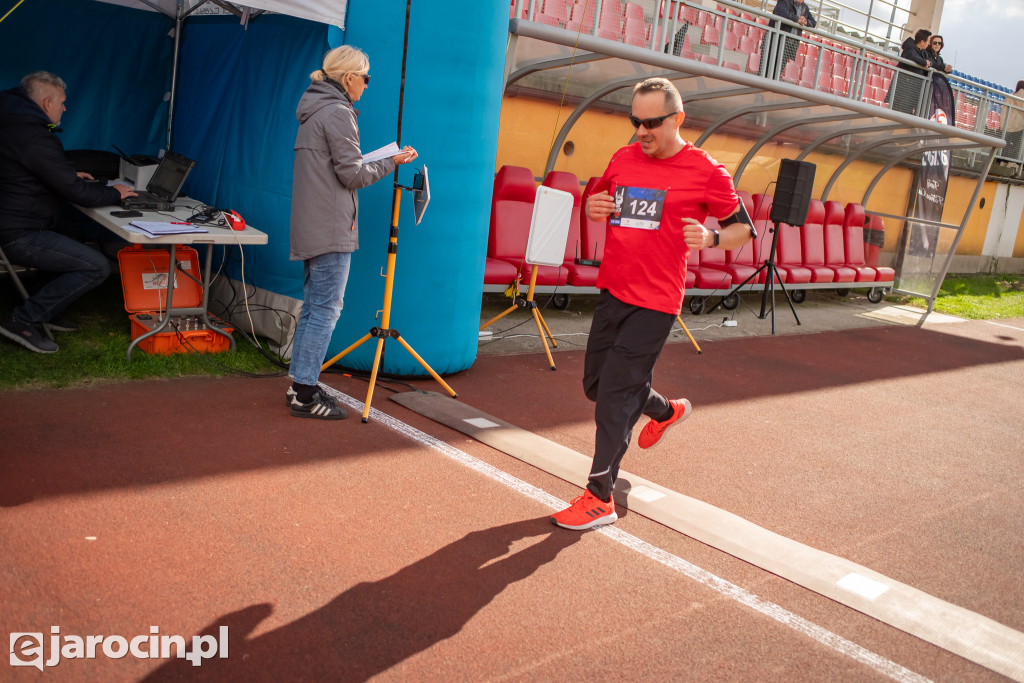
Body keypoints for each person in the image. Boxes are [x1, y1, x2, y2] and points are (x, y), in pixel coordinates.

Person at [550, 77, 755, 530]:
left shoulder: (707, 171)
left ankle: (599, 496)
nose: (641, 131)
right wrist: (593, 208)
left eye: (651, 123)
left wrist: (711, 237)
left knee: (615, 398)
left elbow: (744, 230)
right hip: (613, 291)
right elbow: (595, 199)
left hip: (657, 301)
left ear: (677, 119)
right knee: (597, 387)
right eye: (635, 122)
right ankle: (666, 410)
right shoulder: (623, 157)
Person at [286, 46, 417, 420]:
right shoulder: (339, 113)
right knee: (326, 309)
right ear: (348, 78)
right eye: (366, 77)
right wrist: (391, 161)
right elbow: (353, 175)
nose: (367, 85)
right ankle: (304, 394)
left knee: (315, 308)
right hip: (330, 225)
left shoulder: (313, 109)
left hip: (313, 221)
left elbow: (342, 169)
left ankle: (301, 385)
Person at [0, 71, 136, 354]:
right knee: (96, 266)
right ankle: (24, 319)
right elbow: (77, 193)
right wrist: (116, 193)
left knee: (70, 230)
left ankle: (47, 308)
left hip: (13, 221)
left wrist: (65, 173)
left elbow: (22, 169)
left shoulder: (12, 124)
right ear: (47, 103)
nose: (65, 107)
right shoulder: (33, 136)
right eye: (62, 102)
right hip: (18, 233)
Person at [764, 0, 816, 80]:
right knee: (766, 69)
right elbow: (780, 12)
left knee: (777, 72)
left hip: (789, 43)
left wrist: (805, 21)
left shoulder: (804, 7)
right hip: (775, 40)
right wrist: (796, 19)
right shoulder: (785, 1)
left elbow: (813, 22)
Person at [889, 29, 932, 115]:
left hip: (912, 89)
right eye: (928, 41)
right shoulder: (909, 48)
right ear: (923, 42)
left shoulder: (923, 53)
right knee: (896, 114)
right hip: (903, 89)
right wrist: (924, 62)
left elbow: (930, 61)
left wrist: (927, 62)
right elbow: (911, 56)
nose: (929, 44)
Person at [927, 34, 955, 123]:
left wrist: (947, 70)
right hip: (926, 85)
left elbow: (940, 67)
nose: (937, 45)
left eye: (939, 43)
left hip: (933, 88)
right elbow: (931, 64)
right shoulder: (926, 53)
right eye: (935, 42)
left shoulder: (939, 59)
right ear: (930, 43)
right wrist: (943, 67)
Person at [1000, 80, 1024, 167]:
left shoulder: (1012, 95)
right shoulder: (1022, 94)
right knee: (1017, 143)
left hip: (1007, 124)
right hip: (1017, 124)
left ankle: (1003, 160)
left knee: (1006, 143)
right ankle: (1012, 162)